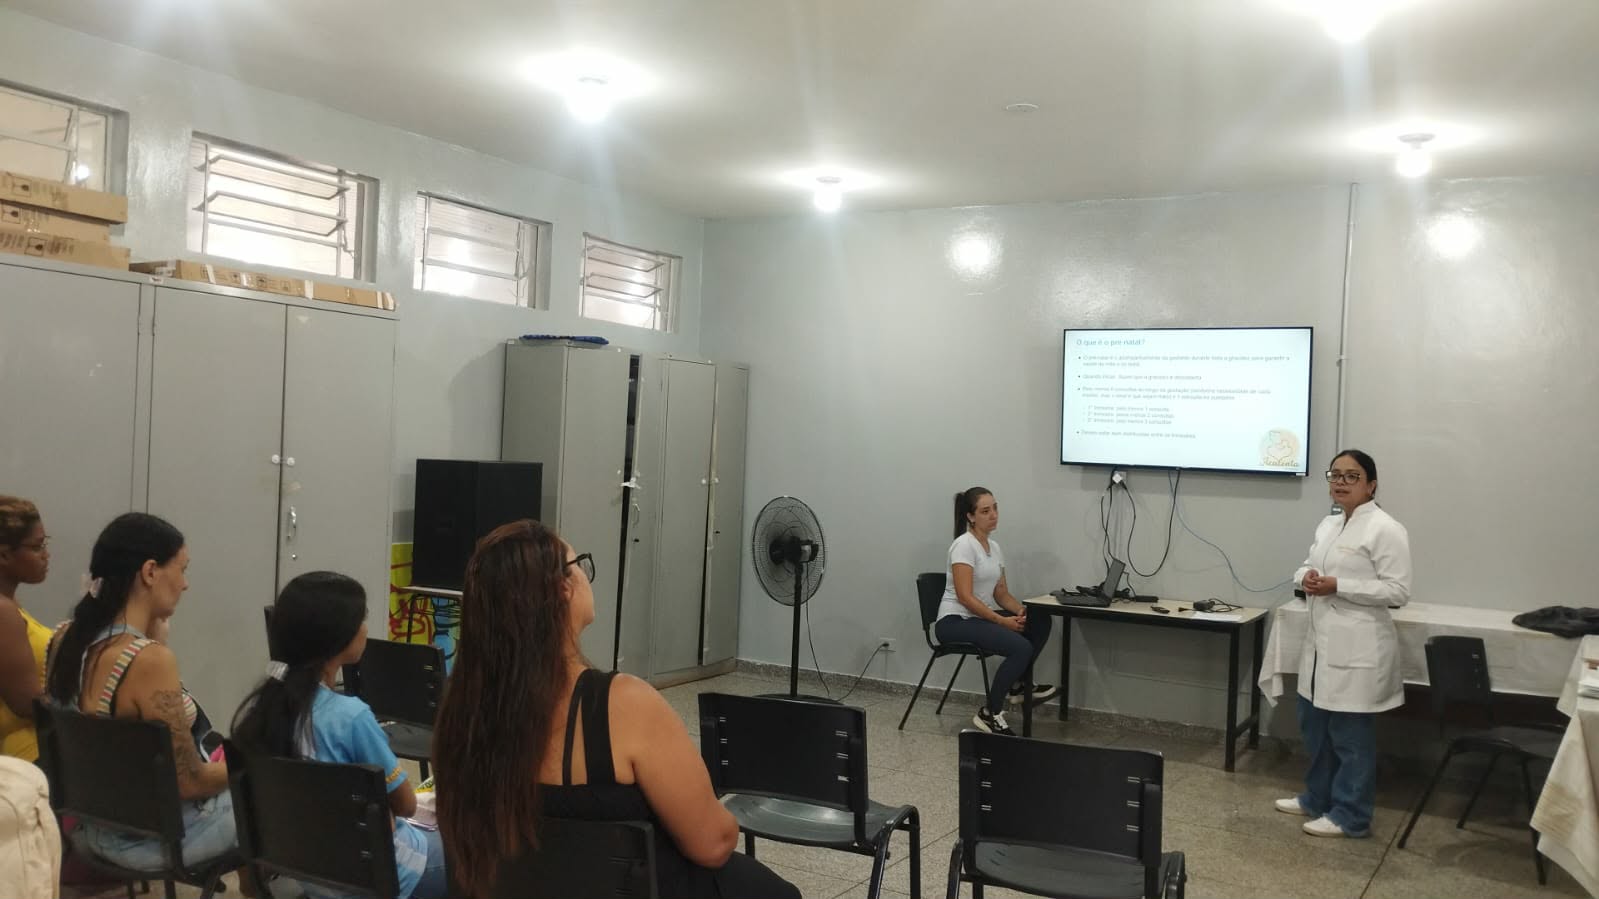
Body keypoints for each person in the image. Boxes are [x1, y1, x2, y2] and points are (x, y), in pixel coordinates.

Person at [432, 519, 798, 899]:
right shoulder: (622, 704)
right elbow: (713, 843)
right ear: (562, 589)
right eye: (579, 564)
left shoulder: (461, 712)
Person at [232, 571, 446, 899]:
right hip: (389, 877)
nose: (365, 627)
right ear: (339, 637)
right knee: (485, 848)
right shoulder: (351, 717)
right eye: (362, 618)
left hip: (312, 875)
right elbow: (406, 804)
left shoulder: (258, 713)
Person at [44, 513, 237, 871]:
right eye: (182, 570)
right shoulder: (148, 660)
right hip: (155, 840)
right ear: (150, 572)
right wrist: (250, 764)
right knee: (276, 799)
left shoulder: (63, 639)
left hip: (91, 829)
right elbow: (189, 782)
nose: (185, 584)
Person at [1276, 450, 1411, 838]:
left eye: (1352, 476)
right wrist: (1306, 577)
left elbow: (1398, 591)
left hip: (1358, 650)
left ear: (1371, 485)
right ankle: (1317, 799)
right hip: (1320, 647)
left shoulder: (1385, 529)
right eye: (1335, 475)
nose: (1340, 482)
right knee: (1315, 730)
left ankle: (1351, 815)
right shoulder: (1329, 524)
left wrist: (1340, 585)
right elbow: (1306, 565)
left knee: (1351, 739)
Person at [933, 487, 1058, 736]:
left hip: (978, 618)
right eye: (985, 511)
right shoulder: (963, 546)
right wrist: (1002, 621)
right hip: (954, 621)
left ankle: (1018, 684)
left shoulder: (995, 548)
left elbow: (1000, 593)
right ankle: (990, 712)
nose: (994, 515)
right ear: (971, 516)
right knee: (1020, 647)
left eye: (995, 508)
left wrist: (1021, 611)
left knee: (1040, 620)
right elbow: (965, 597)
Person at [0, 496, 51, 762]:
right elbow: (27, 703)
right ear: (4, 554)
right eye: (37, 546)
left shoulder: (10, 604)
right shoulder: (3, 611)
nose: (46, 555)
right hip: (27, 758)